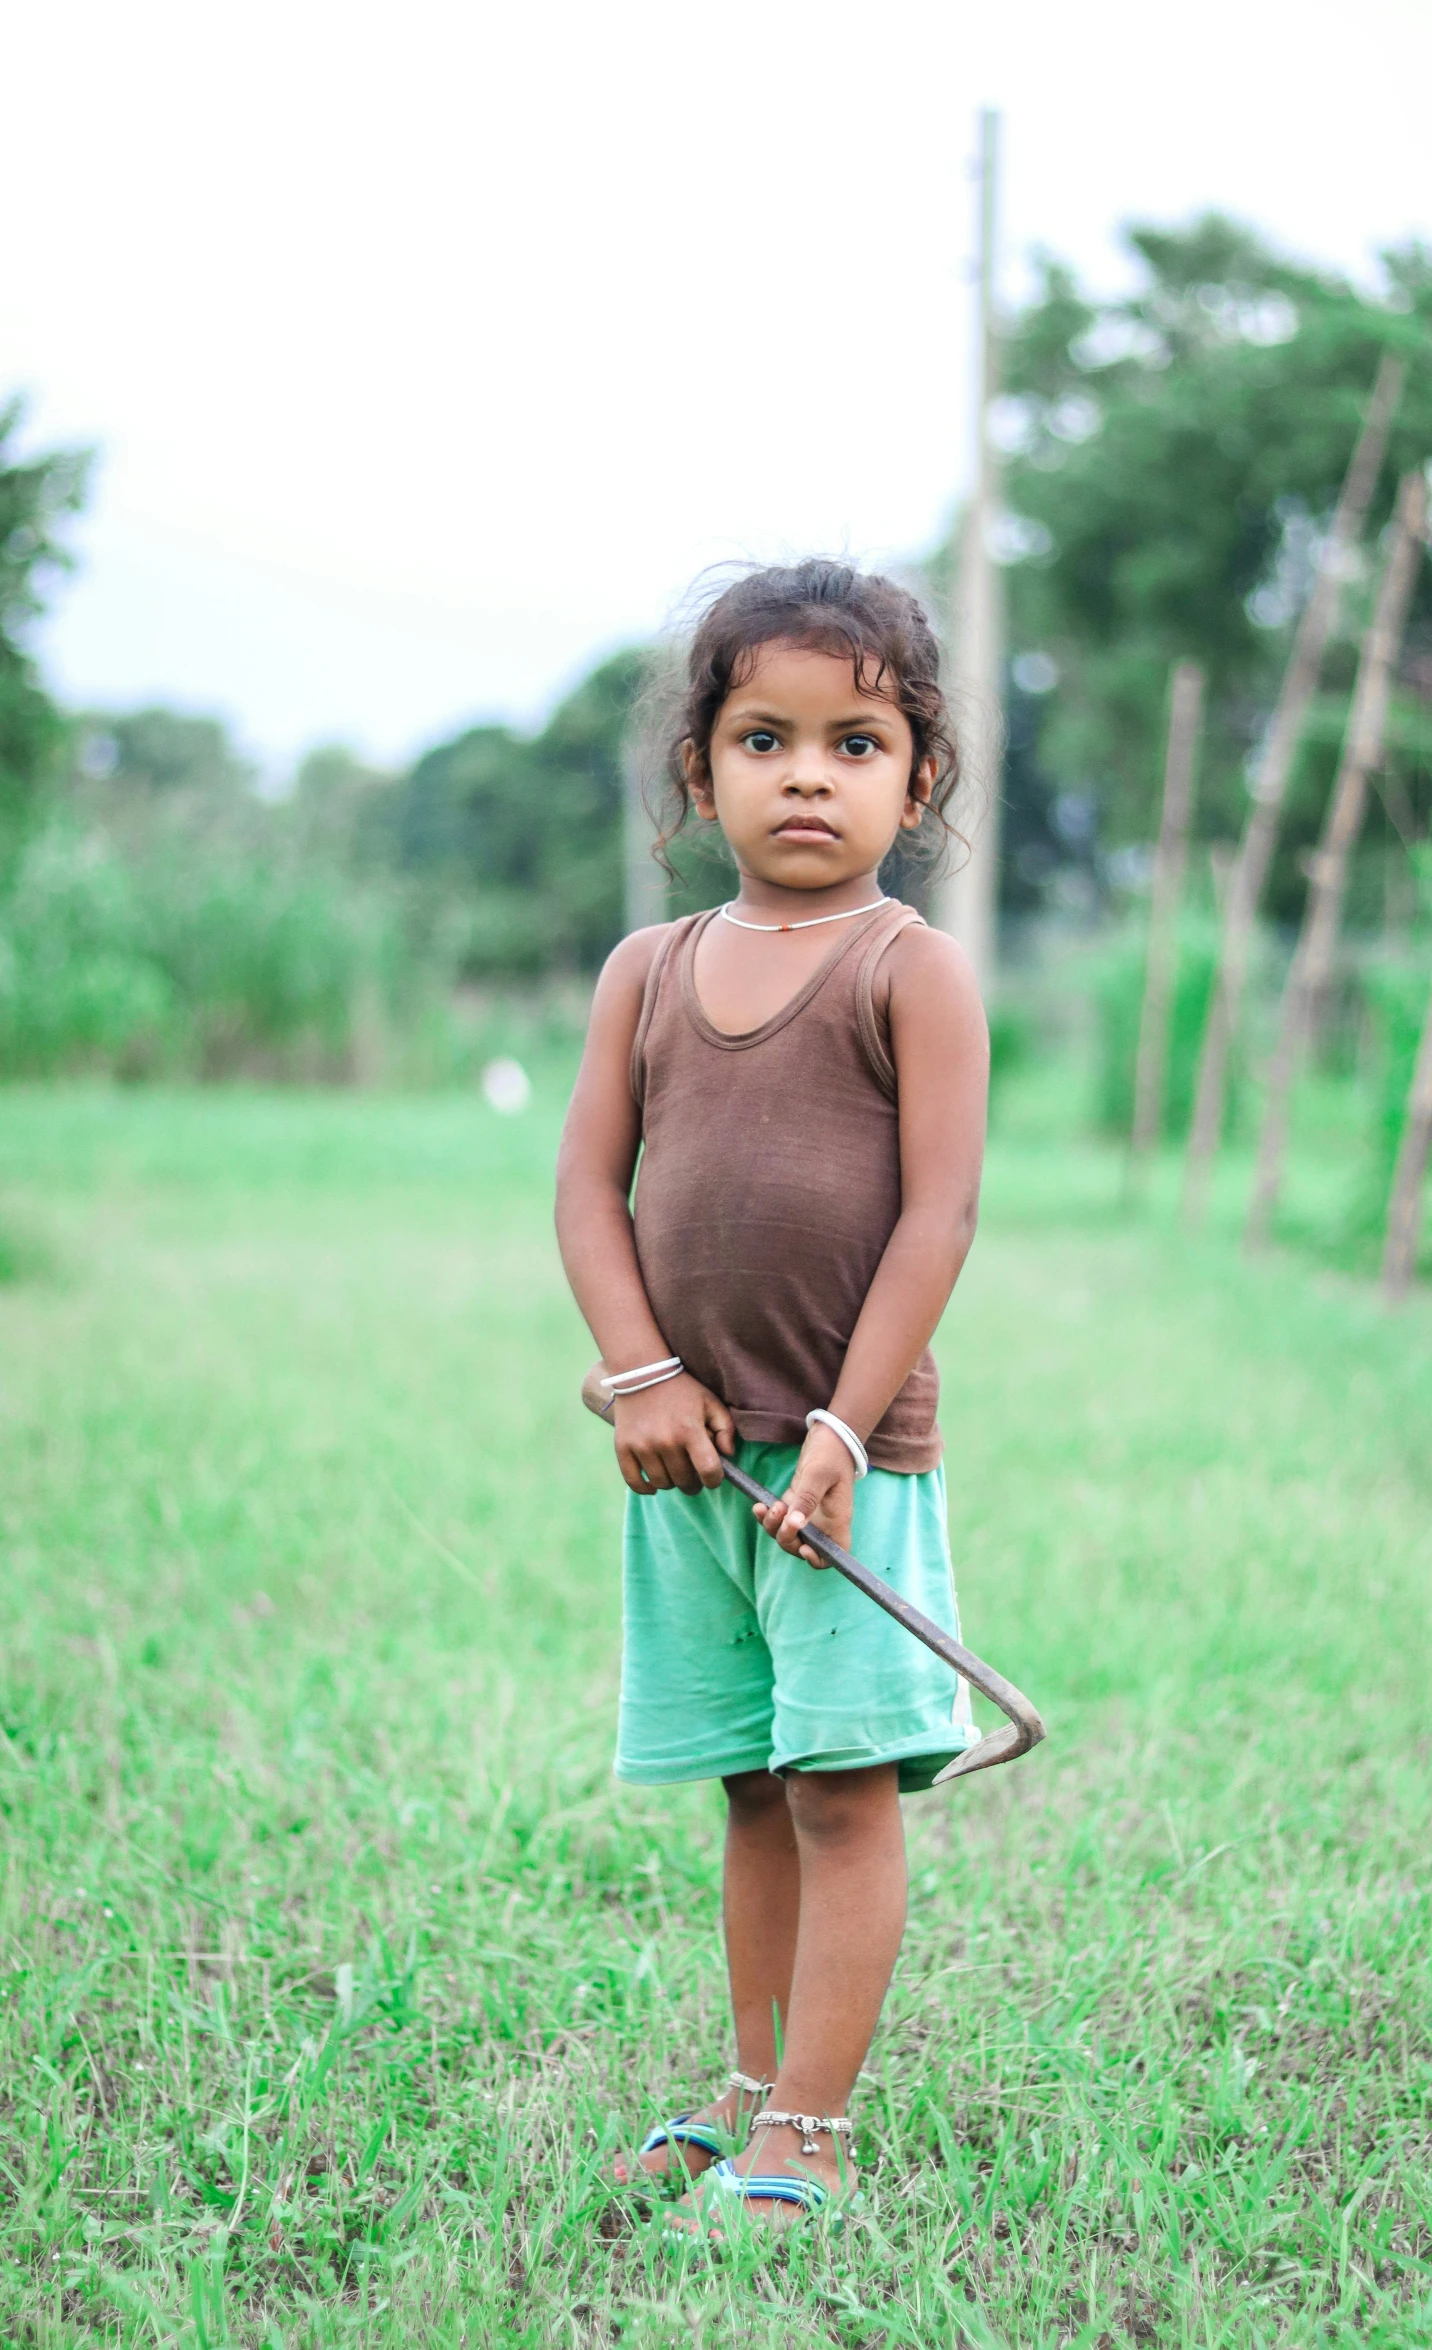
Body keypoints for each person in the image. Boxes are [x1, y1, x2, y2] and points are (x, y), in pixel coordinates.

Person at [554, 558, 989, 2235]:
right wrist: (645, 1371)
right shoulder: (645, 972)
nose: (808, 773)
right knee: (747, 1779)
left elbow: (936, 1215)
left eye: (856, 741)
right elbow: (592, 1193)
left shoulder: (905, 969)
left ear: (917, 776)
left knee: (836, 1785)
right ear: (699, 769)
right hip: (685, 1464)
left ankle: (809, 2127)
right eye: (763, 736)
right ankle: (745, 2088)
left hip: (840, 1465)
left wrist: (834, 1429)